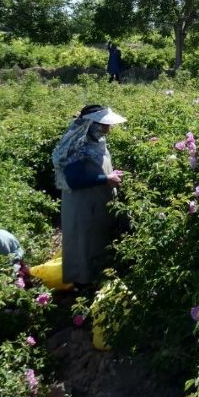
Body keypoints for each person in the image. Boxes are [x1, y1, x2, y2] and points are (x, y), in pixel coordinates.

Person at [52, 104, 126, 288]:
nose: (108, 129)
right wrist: (105, 178)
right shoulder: (78, 145)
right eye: (104, 125)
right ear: (91, 125)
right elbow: (74, 179)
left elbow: (94, 166)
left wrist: (109, 172)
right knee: (83, 242)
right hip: (82, 205)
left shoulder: (95, 140)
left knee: (96, 240)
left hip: (96, 201)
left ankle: (96, 279)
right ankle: (83, 284)